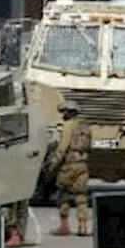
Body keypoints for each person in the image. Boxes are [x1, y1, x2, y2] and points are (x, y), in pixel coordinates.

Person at [50, 100, 92, 238]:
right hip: (82, 164)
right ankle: (83, 226)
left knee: (64, 196)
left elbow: (62, 148)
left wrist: (53, 164)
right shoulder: (85, 127)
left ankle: (64, 226)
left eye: (64, 112)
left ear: (68, 113)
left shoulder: (68, 126)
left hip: (69, 166)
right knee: (81, 196)